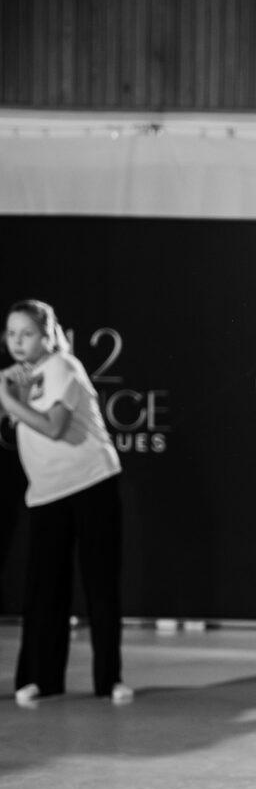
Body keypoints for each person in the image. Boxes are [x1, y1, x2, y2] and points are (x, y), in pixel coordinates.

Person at [0, 300, 131, 708]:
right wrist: (9, 394)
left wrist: (5, 397)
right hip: (46, 493)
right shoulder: (19, 377)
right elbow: (11, 429)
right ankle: (40, 680)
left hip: (92, 481)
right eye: (11, 333)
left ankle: (109, 681)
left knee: (100, 585)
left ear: (46, 335)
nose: (17, 342)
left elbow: (54, 428)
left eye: (26, 333)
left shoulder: (63, 366)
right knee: (44, 590)